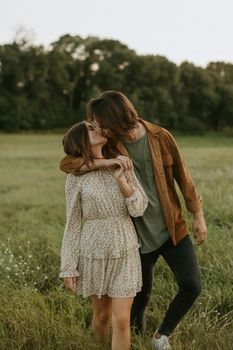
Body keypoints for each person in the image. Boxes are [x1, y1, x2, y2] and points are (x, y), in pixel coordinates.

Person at [60, 91, 207, 350]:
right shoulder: (112, 144)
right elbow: (68, 162)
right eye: (94, 124)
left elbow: (183, 178)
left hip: (172, 227)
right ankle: (136, 337)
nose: (97, 127)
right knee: (139, 297)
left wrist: (198, 215)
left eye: (99, 122)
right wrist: (106, 162)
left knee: (192, 284)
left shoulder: (161, 137)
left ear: (115, 118)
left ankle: (161, 335)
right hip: (136, 236)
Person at [59, 121, 148, 350]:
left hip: (125, 247)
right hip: (93, 252)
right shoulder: (76, 177)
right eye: (90, 128)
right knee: (101, 315)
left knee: (121, 319)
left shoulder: (123, 164)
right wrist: (68, 266)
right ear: (80, 141)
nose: (97, 128)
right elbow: (73, 224)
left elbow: (138, 208)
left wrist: (121, 181)